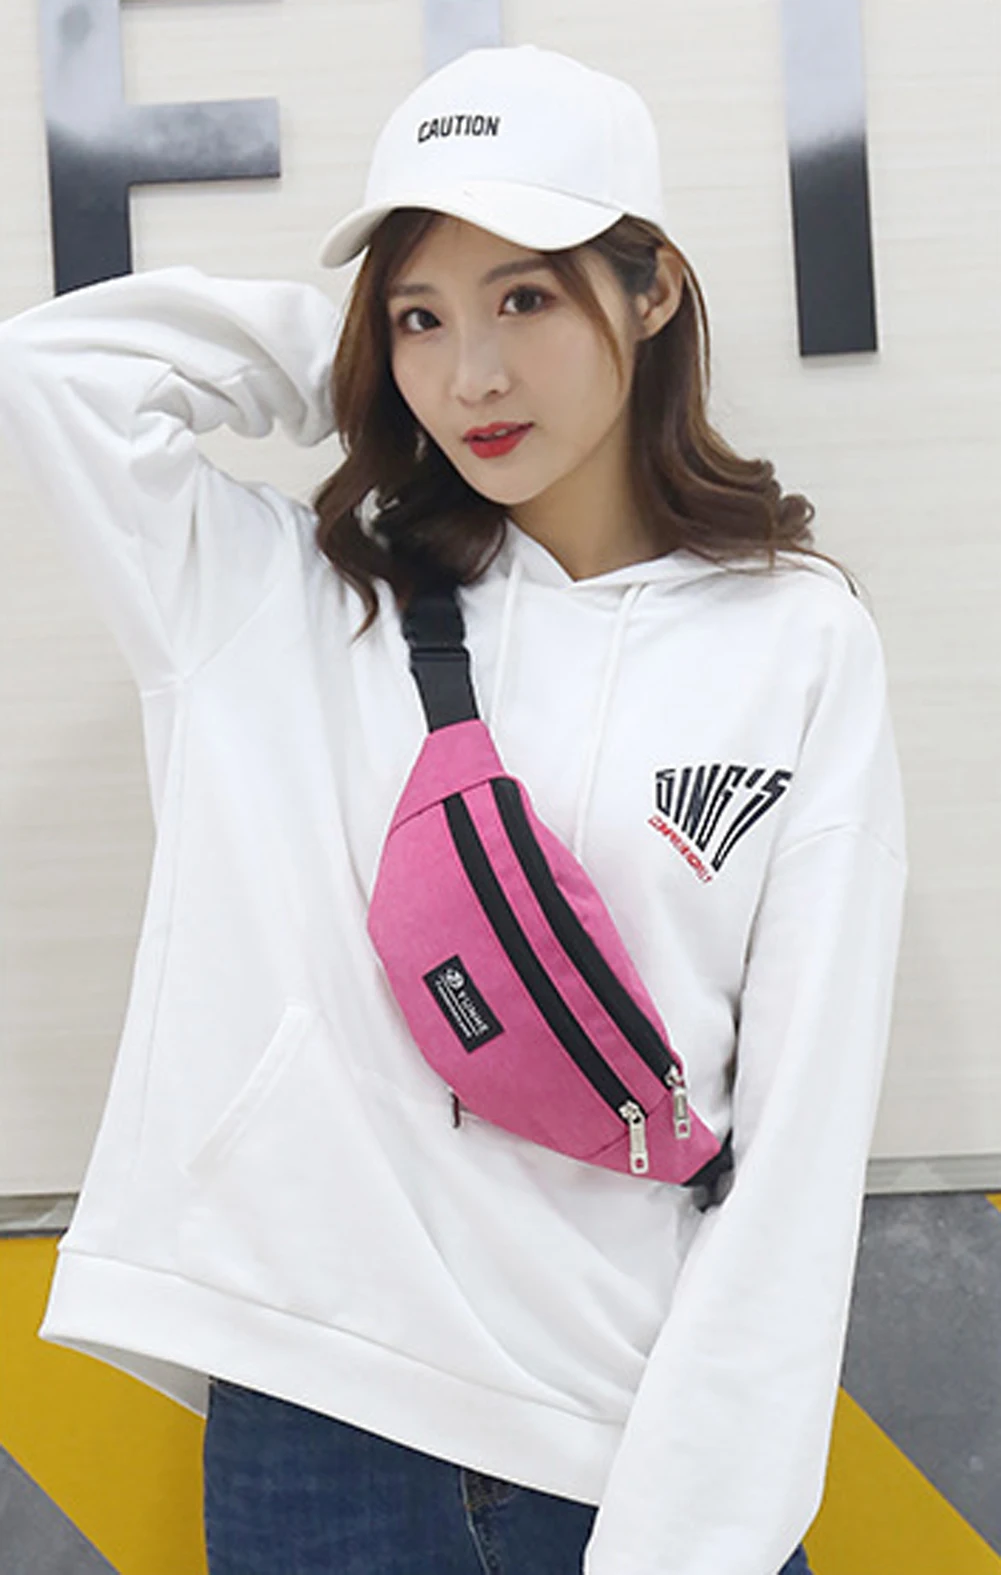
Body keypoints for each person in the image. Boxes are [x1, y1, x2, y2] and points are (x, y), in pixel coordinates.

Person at [0, 42, 906, 1575]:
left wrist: (699, 1529)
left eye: (525, 299)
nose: (474, 376)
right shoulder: (276, 602)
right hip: (326, 1435)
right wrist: (358, 362)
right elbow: (54, 376)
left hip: (638, 1433)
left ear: (654, 290)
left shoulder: (797, 637)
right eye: (423, 314)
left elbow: (801, 1136)